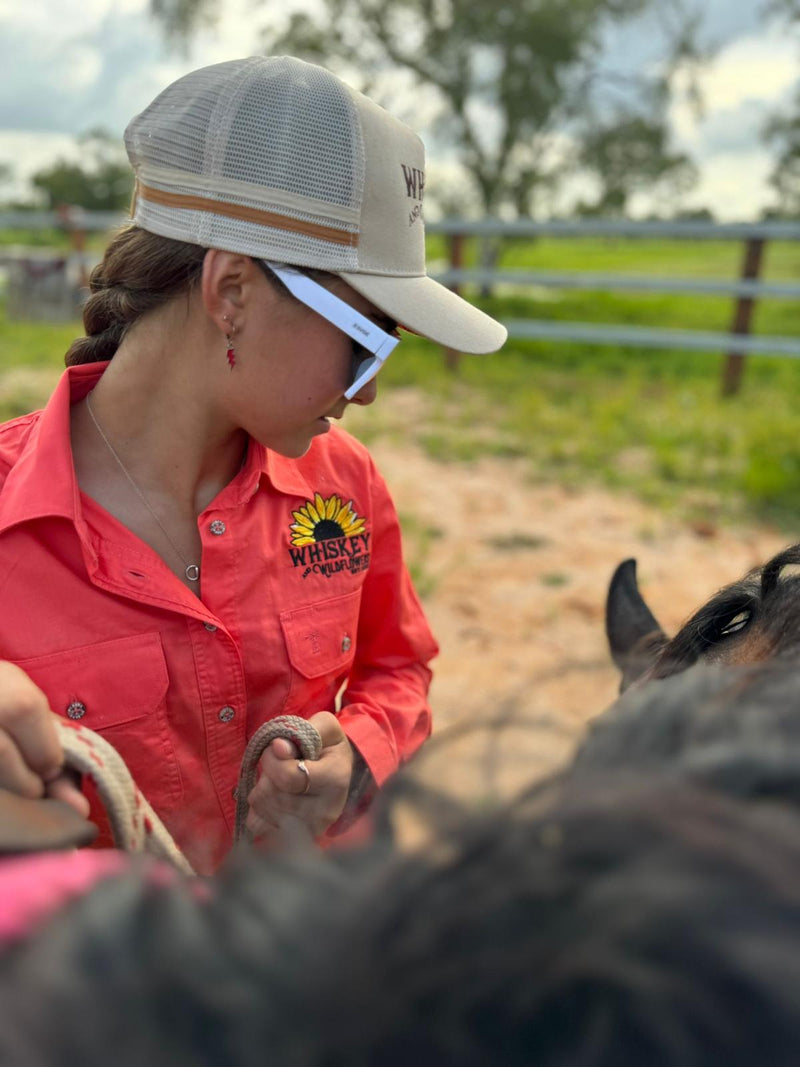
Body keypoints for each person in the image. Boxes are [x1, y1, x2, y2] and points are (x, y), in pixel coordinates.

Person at [0, 56, 507, 872]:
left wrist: (361, 759)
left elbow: (398, 666)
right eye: (367, 342)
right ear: (231, 291)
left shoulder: (346, 486)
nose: (369, 392)